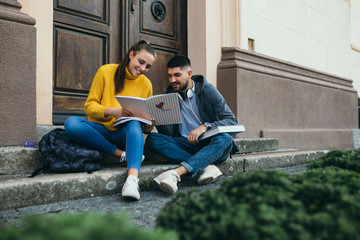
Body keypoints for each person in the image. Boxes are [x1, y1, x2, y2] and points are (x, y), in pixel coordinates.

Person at [64, 40, 156, 200]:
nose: (143, 69)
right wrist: (114, 111)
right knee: (71, 123)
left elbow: (142, 118)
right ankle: (120, 154)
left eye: (148, 66)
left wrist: (147, 125)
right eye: (141, 62)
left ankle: (132, 179)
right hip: (100, 132)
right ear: (131, 55)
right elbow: (89, 107)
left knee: (134, 122)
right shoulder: (106, 71)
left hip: (124, 134)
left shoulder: (146, 84)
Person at [145, 55, 239, 195]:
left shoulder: (208, 90)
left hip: (209, 142)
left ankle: (176, 173)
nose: (172, 80)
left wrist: (204, 126)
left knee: (225, 139)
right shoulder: (170, 94)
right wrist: (157, 121)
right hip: (185, 143)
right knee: (153, 139)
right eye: (169, 76)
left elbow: (232, 121)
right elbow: (169, 133)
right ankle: (204, 166)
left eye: (177, 75)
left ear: (189, 74)